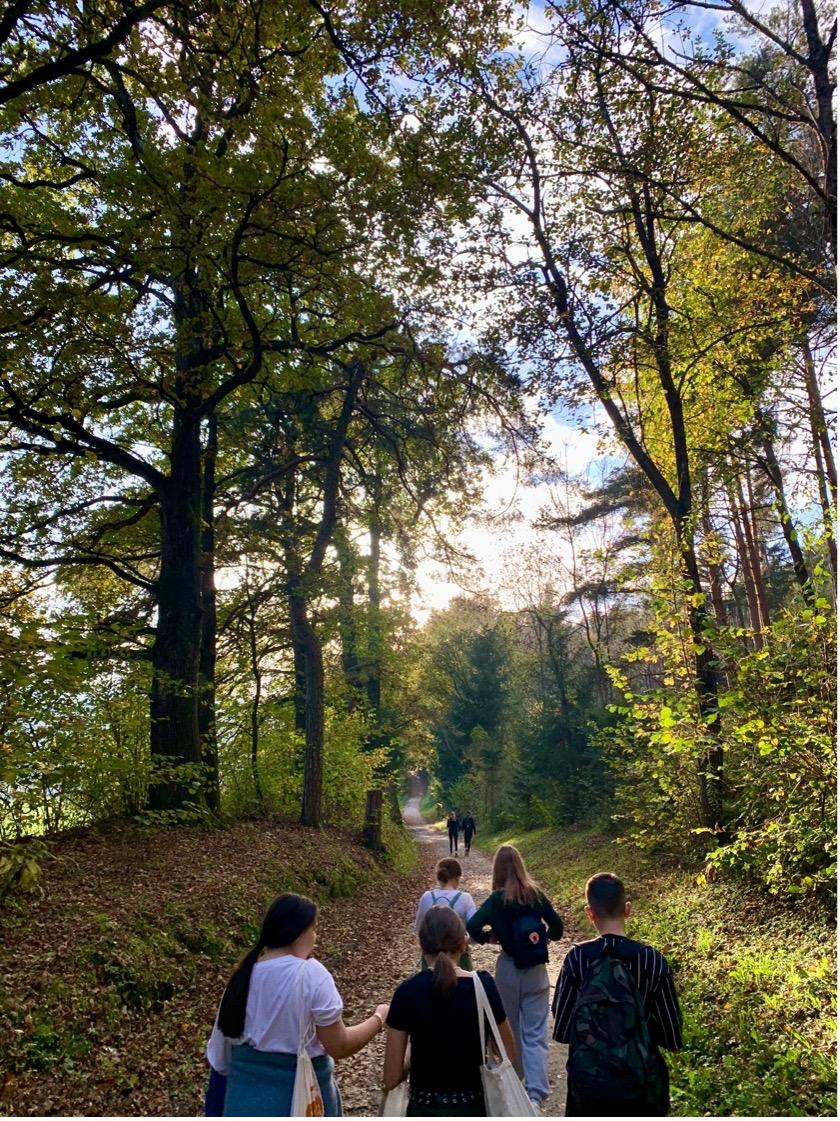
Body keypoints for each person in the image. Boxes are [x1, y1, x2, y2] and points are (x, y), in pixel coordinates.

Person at [205, 893, 389, 1116]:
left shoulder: (241, 978)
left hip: (242, 1104)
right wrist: (378, 1019)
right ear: (298, 933)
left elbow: (221, 1059)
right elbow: (339, 1045)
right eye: (313, 929)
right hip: (300, 1104)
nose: (315, 938)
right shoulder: (311, 974)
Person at [551, 872, 682, 1117]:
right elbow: (671, 1036)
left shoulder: (577, 959)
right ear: (628, 909)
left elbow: (563, 1029)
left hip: (589, 1088)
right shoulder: (652, 961)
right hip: (640, 1086)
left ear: (590, 913)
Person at [383, 905, 518, 1116]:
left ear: (421, 944)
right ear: (464, 945)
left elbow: (391, 1078)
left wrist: (410, 1055)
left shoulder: (406, 993)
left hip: (424, 1108)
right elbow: (508, 1054)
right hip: (473, 1107)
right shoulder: (482, 985)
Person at [466, 844, 564, 1110]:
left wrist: (490, 937)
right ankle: (535, 1096)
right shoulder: (535, 894)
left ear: (497, 869)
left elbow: (471, 926)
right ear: (521, 866)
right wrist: (542, 935)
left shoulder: (497, 900)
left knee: (510, 1030)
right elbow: (558, 929)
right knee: (535, 1032)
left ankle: (515, 1085)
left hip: (509, 970)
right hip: (537, 971)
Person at [414, 857, 477, 969]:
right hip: (458, 958)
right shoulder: (465, 898)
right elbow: (474, 930)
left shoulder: (427, 897)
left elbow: (419, 929)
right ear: (458, 877)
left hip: (431, 957)